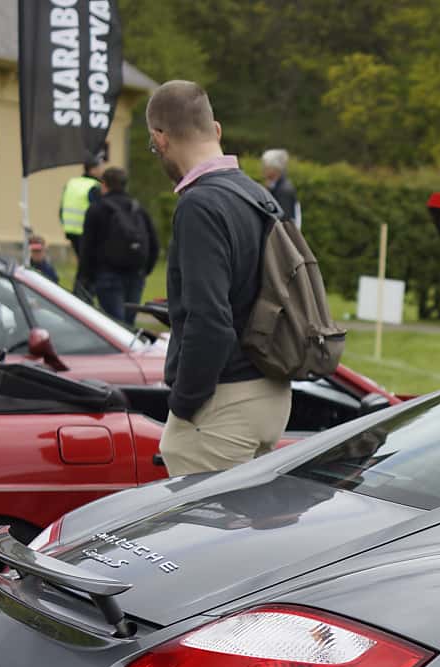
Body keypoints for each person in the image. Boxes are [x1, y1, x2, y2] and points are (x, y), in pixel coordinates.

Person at [145, 79, 291, 477]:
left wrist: (184, 403)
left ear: (160, 138)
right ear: (218, 130)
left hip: (223, 404)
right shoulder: (259, 196)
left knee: (202, 536)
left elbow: (209, 322)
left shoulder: (199, 205)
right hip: (271, 392)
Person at [77, 165, 157, 325]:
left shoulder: (97, 209)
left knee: (114, 326)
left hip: (107, 274)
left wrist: (85, 277)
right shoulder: (138, 208)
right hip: (136, 274)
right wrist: (144, 270)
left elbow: (87, 247)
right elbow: (154, 243)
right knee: (128, 324)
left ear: (104, 184)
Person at [59, 153, 105, 273]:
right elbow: (99, 212)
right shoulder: (94, 186)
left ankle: (80, 290)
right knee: (88, 268)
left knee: (84, 266)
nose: (102, 170)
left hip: (71, 230)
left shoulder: (72, 183)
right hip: (86, 232)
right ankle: (80, 291)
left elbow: (61, 208)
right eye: (100, 167)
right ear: (93, 170)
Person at [261, 148, 299, 225]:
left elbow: (285, 221)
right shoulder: (275, 186)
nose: (262, 168)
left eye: (265, 166)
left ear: (275, 168)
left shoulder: (284, 190)